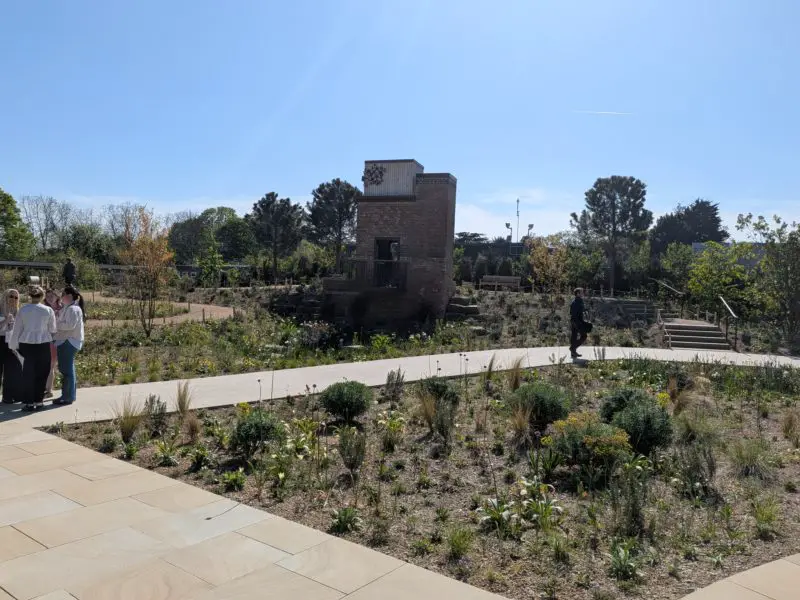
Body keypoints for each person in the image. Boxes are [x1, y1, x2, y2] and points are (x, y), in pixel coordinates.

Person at [8, 286, 57, 411]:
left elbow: (17, 329)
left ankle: (29, 402)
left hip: (26, 343)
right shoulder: (48, 310)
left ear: (30, 296)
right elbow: (52, 329)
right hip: (43, 343)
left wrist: (13, 345)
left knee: (28, 373)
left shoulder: (23, 310)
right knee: (42, 372)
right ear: (42, 296)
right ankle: (39, 401)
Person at [54, 286, 85, 406]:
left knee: (66, 370)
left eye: (63, 294)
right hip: (67, 341)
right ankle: (67, 395)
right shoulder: (69, 308)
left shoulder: (73, 309)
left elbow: (69, 326)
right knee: (67, 369)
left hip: (69, 341)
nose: (61, 297)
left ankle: (68, 397)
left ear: (70, 296)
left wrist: (56, 323)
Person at [0, 289, 21, 404]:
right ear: (5, 296)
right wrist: (5, 321)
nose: (13, 299)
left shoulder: (18, 311)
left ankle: (8, 396)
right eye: (11, 296)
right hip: (0, 340)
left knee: (12, 370)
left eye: (16, 297)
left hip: (12, 342)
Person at [44, 289, 62, 398]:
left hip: (56, 340)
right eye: (48, 296)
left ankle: (49, 389)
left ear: (57, 296)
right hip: (45, 340)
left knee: (51, 365)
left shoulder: (62, 309)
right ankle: (47, 389)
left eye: (52, 296)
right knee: (46, 366)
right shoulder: (44, 309)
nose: (50, 298)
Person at [569, 287, 588, 359]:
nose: (583, 293)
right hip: (576, 322)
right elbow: (573, 313)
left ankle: (573, 353)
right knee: (584, 336)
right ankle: (572, 348)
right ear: (578, 293)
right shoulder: (575, 302)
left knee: (574, 337)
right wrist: (577, 323)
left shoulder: (579, 301)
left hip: (577, 321)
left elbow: (581, 310)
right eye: (582, 292)